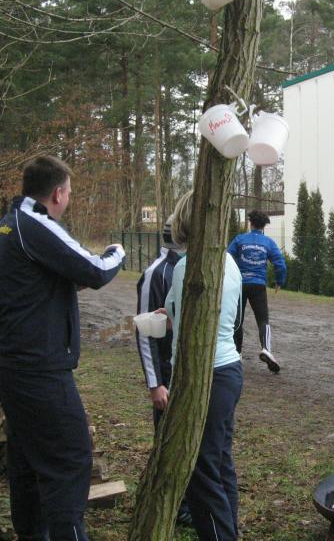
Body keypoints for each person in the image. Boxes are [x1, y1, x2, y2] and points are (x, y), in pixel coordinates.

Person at [0, 155, 125, 541]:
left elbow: (32, 286)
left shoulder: (5, 228)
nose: (69, 199)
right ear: (58, 193)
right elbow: (96, 269)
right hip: (37, 370)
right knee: (70, 459)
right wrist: (117, 251)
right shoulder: (36, 223)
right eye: (70, 193)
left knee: (27, 460)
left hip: (8, 364)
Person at [162, 192, 243, 541]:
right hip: (229, 372)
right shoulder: (231, 262)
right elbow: (231, 321)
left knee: (200, 469)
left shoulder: (187, 267)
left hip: (206, 375)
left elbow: (181, 322)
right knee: (219, 462)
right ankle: (229, 531)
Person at [135, 214, 192, 526]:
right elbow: (144, 332)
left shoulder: (192, 267)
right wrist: (155, 383)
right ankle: (171, 504)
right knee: (168, 440)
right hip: (166, 376)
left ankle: (190, 499)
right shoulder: (155, 273)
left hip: (189, 371)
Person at [227, 210, 287, 372]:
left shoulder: (240, 239)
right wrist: (279, 281)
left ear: (250, 223)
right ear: (264, 226)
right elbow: (280, 264)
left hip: (240, 285)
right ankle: (266, 349)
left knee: (237, 321)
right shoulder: (268, 242)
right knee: (263, 320)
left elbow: (227, 258)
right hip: (259, 285)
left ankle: (237, 353)